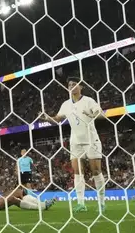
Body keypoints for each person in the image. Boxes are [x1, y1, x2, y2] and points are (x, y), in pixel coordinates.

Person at [40, 76, 106, 213]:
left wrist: (92, 114)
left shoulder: (89, 101)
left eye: (74, 84)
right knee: (77, 171)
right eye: (69, 85)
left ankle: (101, 202)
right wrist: (47, 118)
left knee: (96, 171)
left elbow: (101, 114)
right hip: (75, 141)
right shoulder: (65, 104)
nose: (71, 87)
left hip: (91, 139)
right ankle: (81, 203)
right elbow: (58, 119)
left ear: (81, 86)